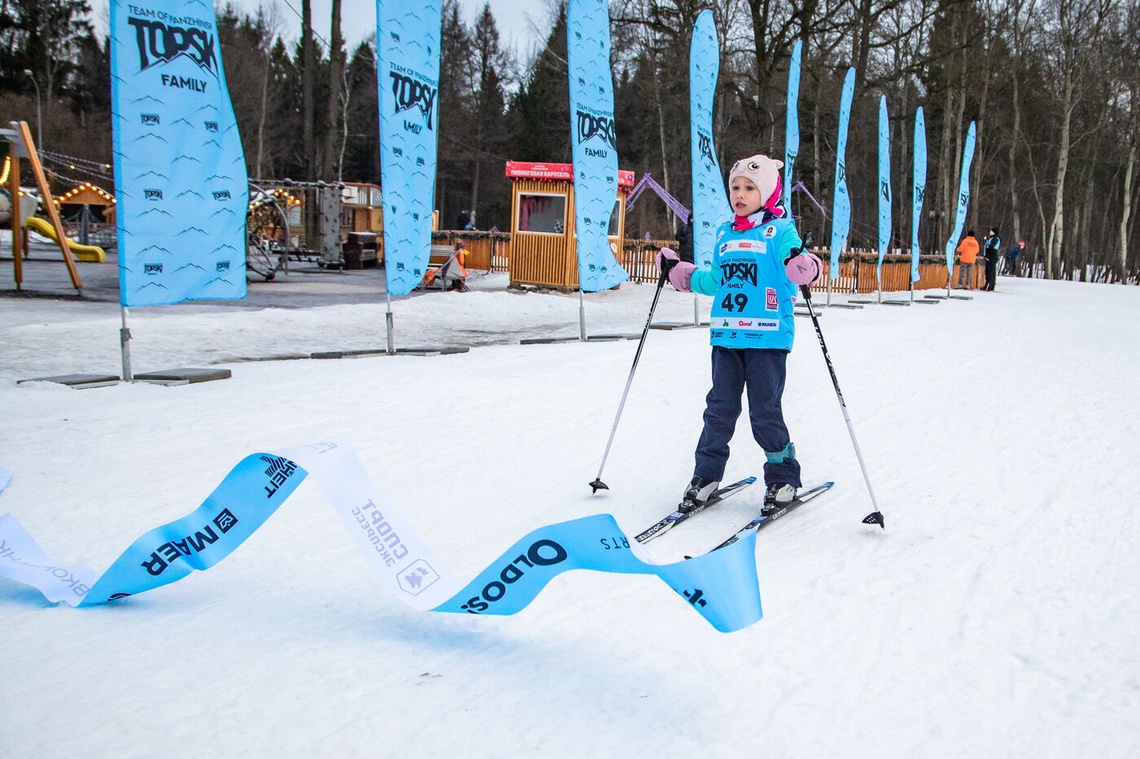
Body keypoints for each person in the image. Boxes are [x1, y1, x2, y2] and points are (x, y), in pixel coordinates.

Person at [656, 153, 821, 516]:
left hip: (768, 339)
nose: (741, 194)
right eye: (735, 187)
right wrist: (679, 273)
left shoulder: (780, 230)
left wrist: (805, 267)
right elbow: (716, 280)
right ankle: (706, 475)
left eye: (749, 188)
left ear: (768, 191)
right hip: (727, 338)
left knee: (764, 411)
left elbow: (802, 264)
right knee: (719, 409)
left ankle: (783, 478)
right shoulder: (724, 232)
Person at [982, 226, 1002, 291]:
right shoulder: (992, 238)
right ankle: (989, 284)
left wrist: (987, 246)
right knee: (989, 271)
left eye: (991, 231)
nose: (990, 232)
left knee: (990, 271)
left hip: (991, 256)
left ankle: (989, 285)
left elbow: (991, 246)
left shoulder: (995, 239)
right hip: (989, 256)